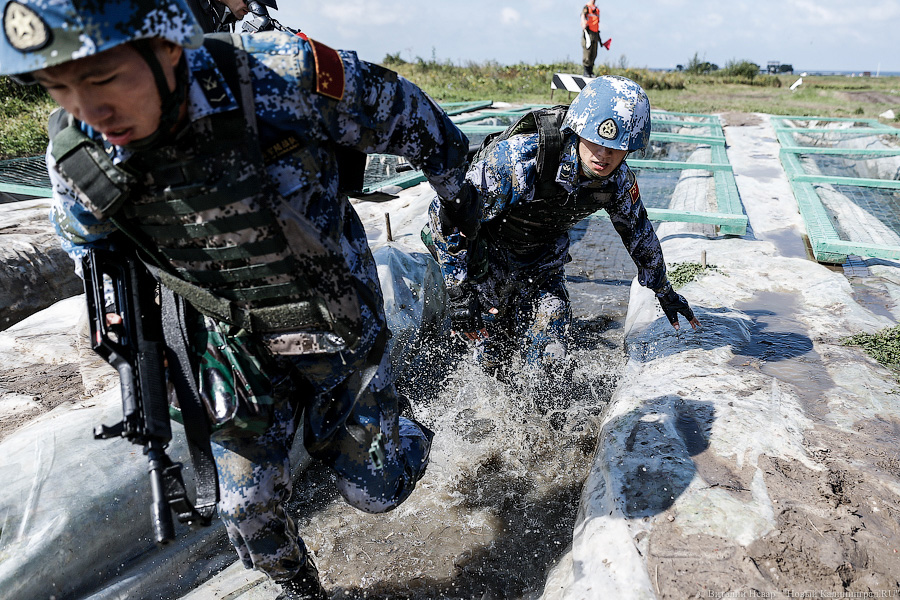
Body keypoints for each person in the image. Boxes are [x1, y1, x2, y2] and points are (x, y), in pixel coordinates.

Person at [0, 0, 469, 598]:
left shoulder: (277, 74)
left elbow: (405, 111)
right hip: (227, 342)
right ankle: (304, 592)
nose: (89, 110)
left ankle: (381, 427)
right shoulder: (81, 158)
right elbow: (89, 251)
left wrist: (460, 198)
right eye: (58, 88)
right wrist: (131, 343)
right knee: (245, 511)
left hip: (332, 317)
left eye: (102, 78)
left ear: (168, 46)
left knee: (378, 490)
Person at [427, 75, 700, 384]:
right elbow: (444, 214)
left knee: (551, 358)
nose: (603, 156)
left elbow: (639, 235)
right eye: (596, 142)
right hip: (488, 262)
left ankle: (542, 423)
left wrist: (664, 291)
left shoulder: (617, 182)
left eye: (616, 148)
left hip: (542, 265)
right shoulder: (519, 160)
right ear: (579, 129)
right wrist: (459, 291)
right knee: (490, 363)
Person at [580, 0, 609, 77]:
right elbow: (582, 16)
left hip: (595, 33)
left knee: (594, 53)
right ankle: (586, 71)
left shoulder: (597, 9)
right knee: (587, 52)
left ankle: (590, 71)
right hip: (588, 33)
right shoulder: (587, 7)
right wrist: (583, 23)